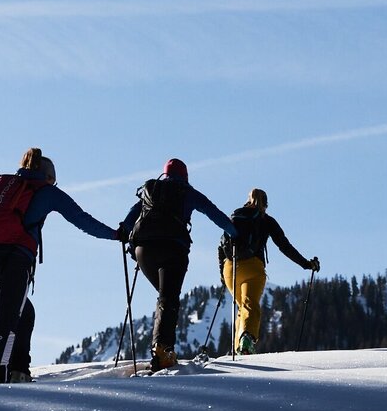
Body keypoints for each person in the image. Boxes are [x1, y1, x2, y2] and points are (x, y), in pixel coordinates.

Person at [0, 147, 120, 384]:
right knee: (7, 324)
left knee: (24, 314)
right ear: (49, 177)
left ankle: (19, 371)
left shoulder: (6, 187)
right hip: (13, 259)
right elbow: (82, 219)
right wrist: (115, 234)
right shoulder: (47, 192)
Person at [120, 158, 236, 372]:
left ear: (164, 174)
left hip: (143, 250)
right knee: (168, 297)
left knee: (165, 296)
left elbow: (132, 215)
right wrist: (234, 232)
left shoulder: (151, 190)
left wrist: (122, 230)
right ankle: (163, 351)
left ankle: (161, 348)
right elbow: (212, 211)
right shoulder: (186, 192)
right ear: (185, 176)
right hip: (173, 247)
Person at [220, 188, 320, 355]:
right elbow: (284, 246)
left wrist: (222, 275)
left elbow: (220, 246)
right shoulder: (267, 221)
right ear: (265, 204)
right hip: (253, 267)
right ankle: (246, 340)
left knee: (241, 307)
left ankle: (238, 346)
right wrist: (306, 264)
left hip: (230, 268)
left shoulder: (235, 217)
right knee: (250, 304)